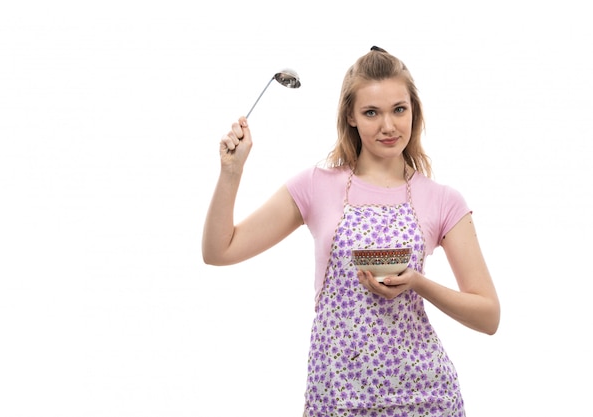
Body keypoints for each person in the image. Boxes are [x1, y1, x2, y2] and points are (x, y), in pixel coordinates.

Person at [202, 46, 500, 417]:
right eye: (371, 112)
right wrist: (231, 173)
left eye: (399, 109)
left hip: (425, 398)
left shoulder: (442, 200)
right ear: (351, 116)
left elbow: (489, 316)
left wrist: (417, 283)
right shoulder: (315, 186)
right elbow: (219, 251)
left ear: (414, 111)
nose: (388, 126)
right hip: (338, 395)